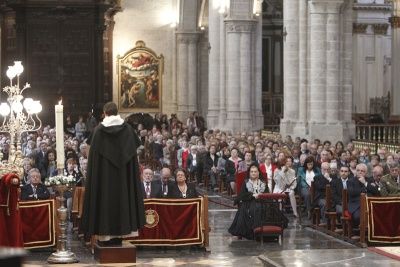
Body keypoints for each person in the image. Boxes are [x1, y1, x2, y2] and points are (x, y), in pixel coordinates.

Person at [81, 102, 145, 247]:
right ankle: (121, 235)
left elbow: (93, 161)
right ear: (117, 112)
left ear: (105, 113)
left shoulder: (98, 131)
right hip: (123, 179)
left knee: (105, 202)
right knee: (123, 199)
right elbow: (133, 158)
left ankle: (105, 236)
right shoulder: (128, 130)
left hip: (104, 180)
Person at [229, 163, 285, 240]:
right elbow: (242, 195)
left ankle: (268, 233)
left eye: (255, 171)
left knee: (269, 208)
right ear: (249, 173)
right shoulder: (246, 182)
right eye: (252, 172)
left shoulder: (263, 182)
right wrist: (252, 195)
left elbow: (267, 194)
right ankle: (255, 231)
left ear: (258, 173)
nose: (253, 173)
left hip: (262, 201)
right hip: (249, 202)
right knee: (255, 209)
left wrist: (261, 195)